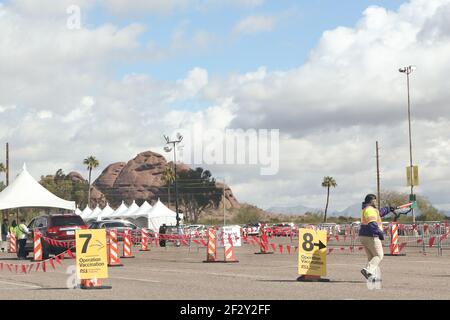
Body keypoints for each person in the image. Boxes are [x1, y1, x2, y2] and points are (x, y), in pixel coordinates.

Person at [359, 194, 394, 282]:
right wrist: (380, 233)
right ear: (371, 201)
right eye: (375, 200)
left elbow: (379, 213)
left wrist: (388, 209)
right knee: (379, 255)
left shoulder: (368, 209)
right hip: (371, 236)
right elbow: (372, 224)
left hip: (364, 236)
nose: (376, 202)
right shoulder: (370, 210)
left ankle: (371, 276)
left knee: (371, 257)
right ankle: (368, 271)